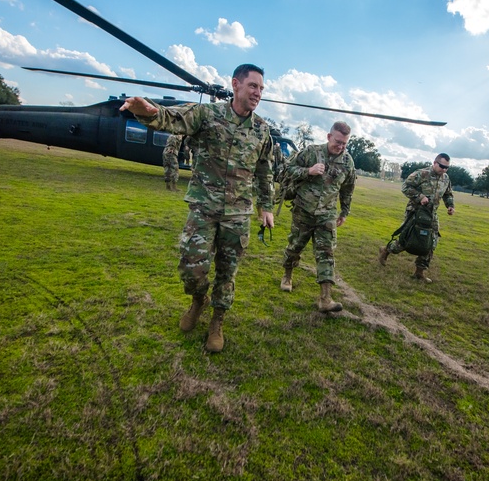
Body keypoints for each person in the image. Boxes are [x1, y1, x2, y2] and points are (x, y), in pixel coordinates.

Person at [120, 64, 275, 353]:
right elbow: (173, 119)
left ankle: (217, 321)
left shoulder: (262, 130)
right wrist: (146, 110)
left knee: (227, 273)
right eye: (253, 86)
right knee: (191, 269)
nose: (258, 93)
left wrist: (266, 207)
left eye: (261, 88)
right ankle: (198, 300)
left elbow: (265, 170)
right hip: (204, 208)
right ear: (236, 84)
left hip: (238, 214)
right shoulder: (208, 114)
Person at [279, 121, 356, 312]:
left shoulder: (348, 162)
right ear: (329, 137)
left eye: (344, 143)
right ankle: (287, 275)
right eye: (337, 142)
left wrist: (344, 212)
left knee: (326, 254)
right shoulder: (311, 152)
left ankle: (325, 299)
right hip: (303, 210)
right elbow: (285, 170)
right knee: (295, 246)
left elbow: (347, 189)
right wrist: (308, 171)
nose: (340, 147)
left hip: (327, 215)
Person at [379, 153, 455, 282]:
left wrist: (450, 205)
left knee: (431, 242)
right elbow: (405, 187)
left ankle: (419, 273)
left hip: (431, 215)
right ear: (435, 163)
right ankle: (386, 250)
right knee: (406, 240)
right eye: (442, 166)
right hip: (415, 212)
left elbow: (448, 194)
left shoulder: (446, 178)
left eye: (447, 167)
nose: (444, 169)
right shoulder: (421, 174)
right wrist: (420, 197)